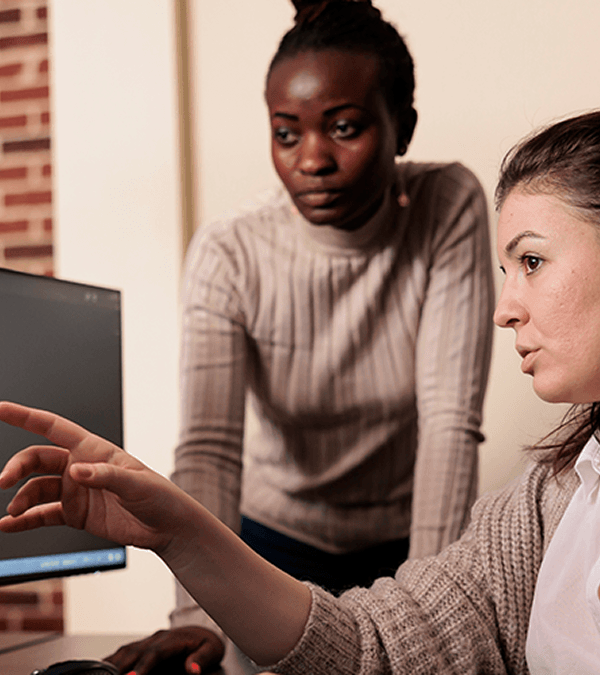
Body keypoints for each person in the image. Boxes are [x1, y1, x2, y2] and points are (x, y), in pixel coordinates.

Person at [0, 94, 600, 673]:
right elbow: (370, 647)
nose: (505, 308)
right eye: (505, 270)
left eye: (533, 261)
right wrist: (180, 531)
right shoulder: (550, 497)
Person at [106, 0, 493, 672]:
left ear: (402, 128)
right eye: (287, 134)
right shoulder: (230, 251)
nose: (312, 159)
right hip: (268, 548)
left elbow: (449, 424)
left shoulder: (446, 205)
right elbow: (209, 448)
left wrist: (425, 612)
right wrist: (198, 614)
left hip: (407, 544)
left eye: (344, 128)